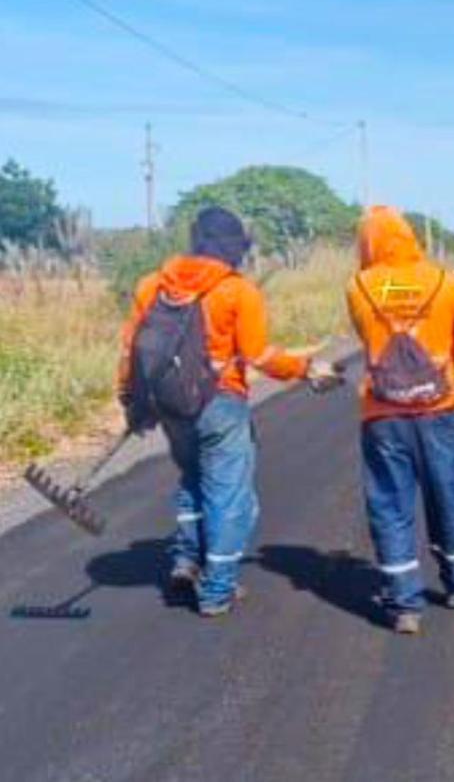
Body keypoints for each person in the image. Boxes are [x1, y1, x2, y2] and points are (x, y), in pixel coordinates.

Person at [117, 206, 332, 617]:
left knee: (193, 478)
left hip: (169, 407)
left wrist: (131, 400)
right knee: (231, 498)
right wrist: (305, 368)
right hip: (221, 405)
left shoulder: (152, 286)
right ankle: (217, 590)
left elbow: (131, 349)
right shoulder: (237, 291)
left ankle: (186, 561)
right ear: (233, 247)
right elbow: (260, 355)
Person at [346, 206, 454, 635]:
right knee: (447, 494)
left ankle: (405, 603)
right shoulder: (447, 283)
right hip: (437, 408)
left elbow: (365, 338)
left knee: (389, 503)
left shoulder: (358, 287)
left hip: (382, 412)